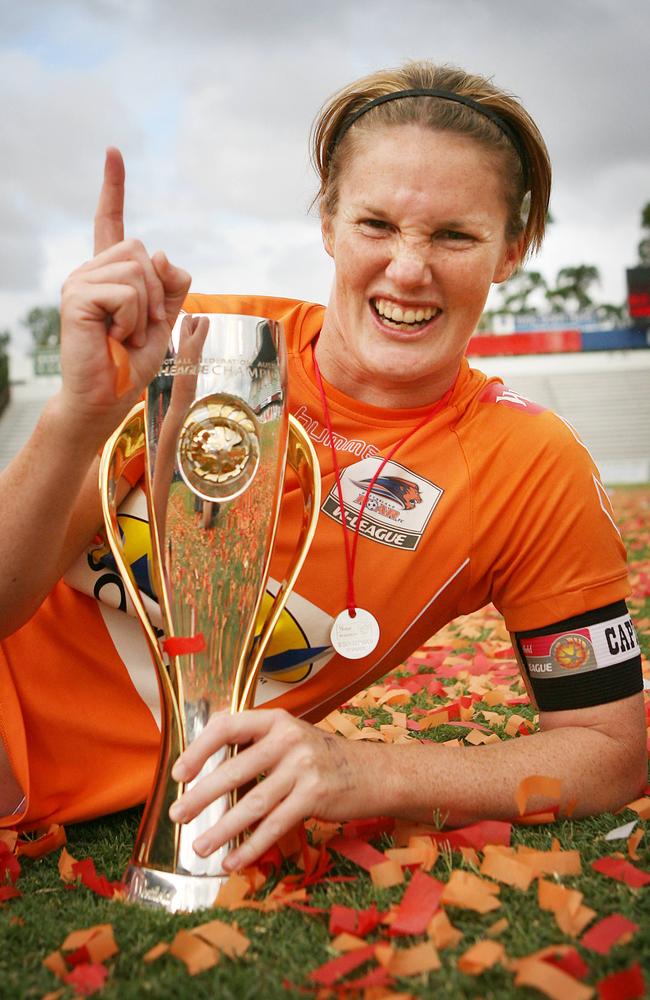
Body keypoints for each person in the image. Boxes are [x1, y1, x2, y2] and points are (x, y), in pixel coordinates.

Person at [0, 62, 645, 872]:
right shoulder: (197, 348)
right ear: (328, 224)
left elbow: (611, 749)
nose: (409, 269)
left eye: (454, 234)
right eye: (376, 224)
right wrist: (79, 419)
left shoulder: (527, 466)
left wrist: (369, 771)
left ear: (511, 249)